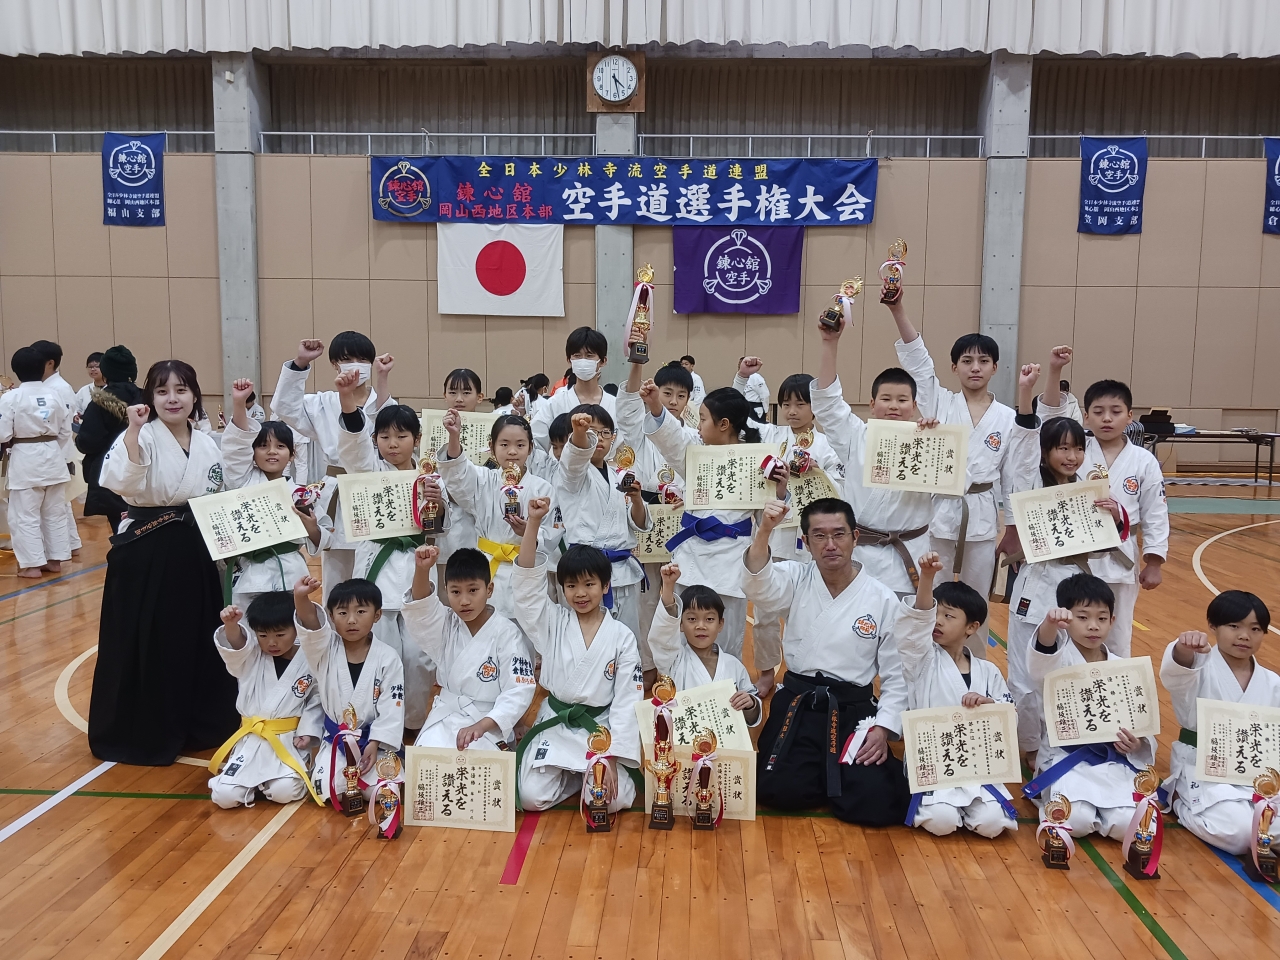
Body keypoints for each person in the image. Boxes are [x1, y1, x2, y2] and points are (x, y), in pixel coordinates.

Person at [89, 360, 238, 765]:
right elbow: (121, 482)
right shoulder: (141, 436)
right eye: (162, 391)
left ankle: (198, 722)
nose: (172, 398)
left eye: (181, 389)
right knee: (150, 640)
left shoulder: (207, 442)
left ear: (194, 396)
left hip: (195, 548)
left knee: (193, 637)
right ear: (149, 399)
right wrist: (134, 431)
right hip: (146, 551)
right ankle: (146, 730)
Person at [743, 498, 910, 824]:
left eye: (839, 534)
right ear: (805, 542)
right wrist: (764, 530)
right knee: (777, 792)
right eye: (819, 536)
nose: (830, 545)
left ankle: (832, 772)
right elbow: (759, 585)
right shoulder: (794, 577)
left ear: (855, 537)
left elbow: (897, 673)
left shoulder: (881, 598)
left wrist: (883, 728)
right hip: (798, 704)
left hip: (853, 710)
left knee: (876, 804)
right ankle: (826, 772)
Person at [889, 290, 1020, 656]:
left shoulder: (1007, 419)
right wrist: (899, 308)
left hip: (980, 515)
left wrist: (1012, 528)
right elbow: (917, 359)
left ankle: (974, 666)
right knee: (932, 594)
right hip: (938, 513)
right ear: (954, 367)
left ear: (995, 367)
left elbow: (1012, 477)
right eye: (966, 360)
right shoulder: (939, 402)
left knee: (977, 600)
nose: (975, 367)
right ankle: (926, 662)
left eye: (983, 361)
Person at [1006, 380, 1129, 760]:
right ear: (1045, 453)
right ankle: (1028, 747)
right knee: (1026, 676)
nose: (1072, 456)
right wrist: (1026, 395)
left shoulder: (1090, 491)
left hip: (1077, 591)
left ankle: (1062, 741)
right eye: (1062, 448)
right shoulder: (1029, 483)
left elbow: (1115, 539)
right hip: (1035, 588)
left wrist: (1115, 514)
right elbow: (1024, 445)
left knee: (1067, 673)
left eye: (1078, 448)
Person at [641, 384, 787, 696]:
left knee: (727, 641)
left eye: (703, 418)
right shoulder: (694, 454)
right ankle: (679, 695)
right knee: (680, 633)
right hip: (690, 559)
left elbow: (768, 518)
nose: (698, 425)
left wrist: (780, 489)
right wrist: (655, 404)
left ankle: (724, 698)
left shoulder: (759, 461)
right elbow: (670, 438)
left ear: (724, 425)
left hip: (730, 566)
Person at [1033, 348, 1169, 657]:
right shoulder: (1073, 452)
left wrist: (1154, 561)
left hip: (1120, 554)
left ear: (1130, 416)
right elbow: (1049, 418)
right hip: (1074, 551)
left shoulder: (1144, 461)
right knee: (1071, 629)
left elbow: (1155, 513)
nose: (1106, 418)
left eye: (1116, 411)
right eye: (1098, 411)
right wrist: (1054, 370)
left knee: (1117, 634)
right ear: (1085, 415)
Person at [511, 497, 644, 813]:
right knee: (530, 797)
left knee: (612, 801)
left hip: (598, 727)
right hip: (557, 722)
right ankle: (576, 776)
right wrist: (532, 524)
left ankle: (584, 774)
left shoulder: (622, 637)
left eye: (589, 584)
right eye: (571, 586)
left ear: (605, 585)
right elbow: (528, 589)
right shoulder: (552, 622)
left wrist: (611, 757)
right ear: (562, 588)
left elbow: (627, 701)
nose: (580, 593)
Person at [334, 368, 443, 737]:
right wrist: (349, 402)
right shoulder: (369, 471)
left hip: (417, 577)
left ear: (417, 438)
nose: (392, 444)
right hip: (377, 578)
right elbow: (354, 448)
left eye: (401, 436)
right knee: (382, 655)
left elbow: (442, 526)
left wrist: (437, 505)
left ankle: (412, 724)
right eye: (384, 436)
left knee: (418, 658)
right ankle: (379, 726)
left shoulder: (430, 477)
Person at [809, 302, 936, 595]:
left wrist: (934, 443)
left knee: (903, 636)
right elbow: (828, 404)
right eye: (886, 398)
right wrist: (830, 343)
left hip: (909, 554)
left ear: (915, 406)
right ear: (872, 405)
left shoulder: (931, 440)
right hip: (860, 555)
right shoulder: (857, 435)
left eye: (902, 400)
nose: (894, 405)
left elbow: (958, 485)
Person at [1023, 574, 1155, 839]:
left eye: (1102, 618)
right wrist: (1050, 625)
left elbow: (1141, 723)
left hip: (1113, 760)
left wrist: (1137, 744)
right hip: (1065, 758)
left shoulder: (1123, 668)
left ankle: (1108, 814)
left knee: (1132, 825)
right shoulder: (1058, 662)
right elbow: (1040, 660)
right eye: (1083, 618)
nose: (1093, 626)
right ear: (1067, 620)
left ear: (1112, 621)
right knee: (1075, 821)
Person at [896, 553, 1017, 837]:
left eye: (948, 616)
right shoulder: (920, 658)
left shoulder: (988, 671)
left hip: (978, 765)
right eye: (936, 614)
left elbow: (1008, 715)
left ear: (972, 628)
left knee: (993, 825)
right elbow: (918, 621)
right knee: (942, 821)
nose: (937, 621)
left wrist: (990, 706)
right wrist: (926, 578)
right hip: (934, 764)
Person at [271, 334, 395, 598]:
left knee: (373, 565)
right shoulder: (323, 403)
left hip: (373, 489)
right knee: (336, 573)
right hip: (337, 491)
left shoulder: (380, 400)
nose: (355, 365)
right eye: (347, 359)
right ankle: (335, 630)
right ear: (334, 364)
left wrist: (383, 379)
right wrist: (301, 362)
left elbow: (392, 426)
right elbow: (284, 407)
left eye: (362, 359)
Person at [1160, 591, 1280, 855]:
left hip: (1257, 769)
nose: (1244, 636)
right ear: (1213, 626)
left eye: (1255, 629)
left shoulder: (1272, 682)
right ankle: (1180, 801)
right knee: (1237, 834)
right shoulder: (1199, 666)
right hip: (1203, 765)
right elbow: (1176, 674)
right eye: (1234, 626)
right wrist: (1183, 648)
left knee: (1265, 827)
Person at [402, 545, 537, 750]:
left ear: (489, 589)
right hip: (445, 717)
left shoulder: (507, 633)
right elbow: (422, 609)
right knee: (426, 762)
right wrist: (422, 569)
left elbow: (519, 689)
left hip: (489, 722)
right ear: (446, 591)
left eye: (473, 590)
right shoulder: (445, 624)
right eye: (455, 592)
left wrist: (483, 725)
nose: (464, 600)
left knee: (476, 767)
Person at [292, 575, 405, 807]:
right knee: (327, 793)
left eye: (361, 612)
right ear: (331, 617)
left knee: (387, 792)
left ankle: (369, 786)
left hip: (374, 744)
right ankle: (355, 789)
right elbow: (310, 625)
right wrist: (300, 597)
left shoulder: (388, 657)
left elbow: (391, 708)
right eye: (342, 613)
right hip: (336, 743)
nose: (351, 620)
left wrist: (375, 744)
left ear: (377, 615)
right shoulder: (322, 650)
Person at [207, 592, 324, 808]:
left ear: (296, 628)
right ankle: (251, 784)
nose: (271, 643)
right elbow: (236, 649)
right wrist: (231, 626)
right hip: (252, 741)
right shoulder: (251, 657)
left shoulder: (308, 660)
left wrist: (308, 733)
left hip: (287, 741)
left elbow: (315, 701)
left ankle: (271, 782)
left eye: (280, 635)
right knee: (223, 797)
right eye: (262, 635)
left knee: (284, 792)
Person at [437, 410, 557, 620]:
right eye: (504, 444)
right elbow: (458, 476)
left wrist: (530, 533)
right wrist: (454, 437)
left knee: (526, 636)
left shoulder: (543, 489)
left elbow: (554, 534)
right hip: (487, 567)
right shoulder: (483, 480)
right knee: (487, 631)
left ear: (530, 448)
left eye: (520, 445)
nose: (512, 451)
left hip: (525, 569)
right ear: (492, 447)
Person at [221, 378, 325, 610]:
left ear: (292, 454)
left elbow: (321, 538)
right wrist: (239, 404)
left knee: (290, 635)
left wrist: (311, 528)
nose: (271, 452)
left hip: (291, 573)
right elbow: (235, 448)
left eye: (280, 447)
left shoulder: (302, 494)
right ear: (252, 452)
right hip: (249, 572)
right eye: (263, 446)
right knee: (249, 634)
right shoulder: (242, 481)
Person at [555, 408, 651, 645]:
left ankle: (627, 682)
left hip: (622, 571)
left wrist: (637, 499)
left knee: (627, 641)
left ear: (613, 438)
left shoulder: (620, 476)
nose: (598, 438)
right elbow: (575, 458)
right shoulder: (572, 474)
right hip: (587, 574)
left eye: (604, 433)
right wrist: (579, 433)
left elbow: (638, 523)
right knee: (589, 641)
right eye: (591, 432)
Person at [648, 563, 761, 726]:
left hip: (726, 744)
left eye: (709, 619)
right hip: (685, 743)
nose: (701, 625)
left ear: (721, 624)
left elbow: (751, 711)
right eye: (692, 619)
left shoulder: (733, 665)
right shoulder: (673, 660)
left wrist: (750, 703)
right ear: (679, 624)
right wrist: (668, 587)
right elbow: (662, 636)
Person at [0, 346, 73, 577]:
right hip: (53, 457)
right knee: (54, 513)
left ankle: (31, 565)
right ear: (44, 367)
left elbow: (2, 434)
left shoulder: (12, 397)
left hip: (26, 460)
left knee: (24, 514)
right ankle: (55, 560)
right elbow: (65, 432)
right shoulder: (56, 395)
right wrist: (49, 448)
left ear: (16, 370)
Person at [75, 345, 143, 533]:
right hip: (146, 471)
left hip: (111, 474)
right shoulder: (147, 398)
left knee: (120, 528)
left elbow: (88, 442)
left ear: (105, 372)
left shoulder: (98, 404)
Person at [31, 339, 82, 560]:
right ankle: (71, 545)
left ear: (50, 363)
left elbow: (65, 428)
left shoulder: (59, 388)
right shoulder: (45, 387)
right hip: (50, 455)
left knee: (57, 506)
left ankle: (65, 548)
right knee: (59, 505)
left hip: (58, 453)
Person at [530, 327, 617, 450]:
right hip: (565, 468)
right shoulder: (554, 404)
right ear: (569, 360)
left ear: (603, 361)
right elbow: (536, 443)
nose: (583, 361)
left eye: (589, 355)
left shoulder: (615, 405)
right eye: (577, 355)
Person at [734, 356, 770, 421]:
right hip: (744, 407)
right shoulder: (740, 378)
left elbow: (765, 394)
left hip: (755, 408)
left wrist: (766, 411)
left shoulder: (756, 377)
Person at [74, 351, 106, 416]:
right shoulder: (84, 390)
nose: (93, 369)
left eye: (97, 366)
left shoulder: (113, 389)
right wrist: (76, 415)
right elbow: (75, 408)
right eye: (90, 367)